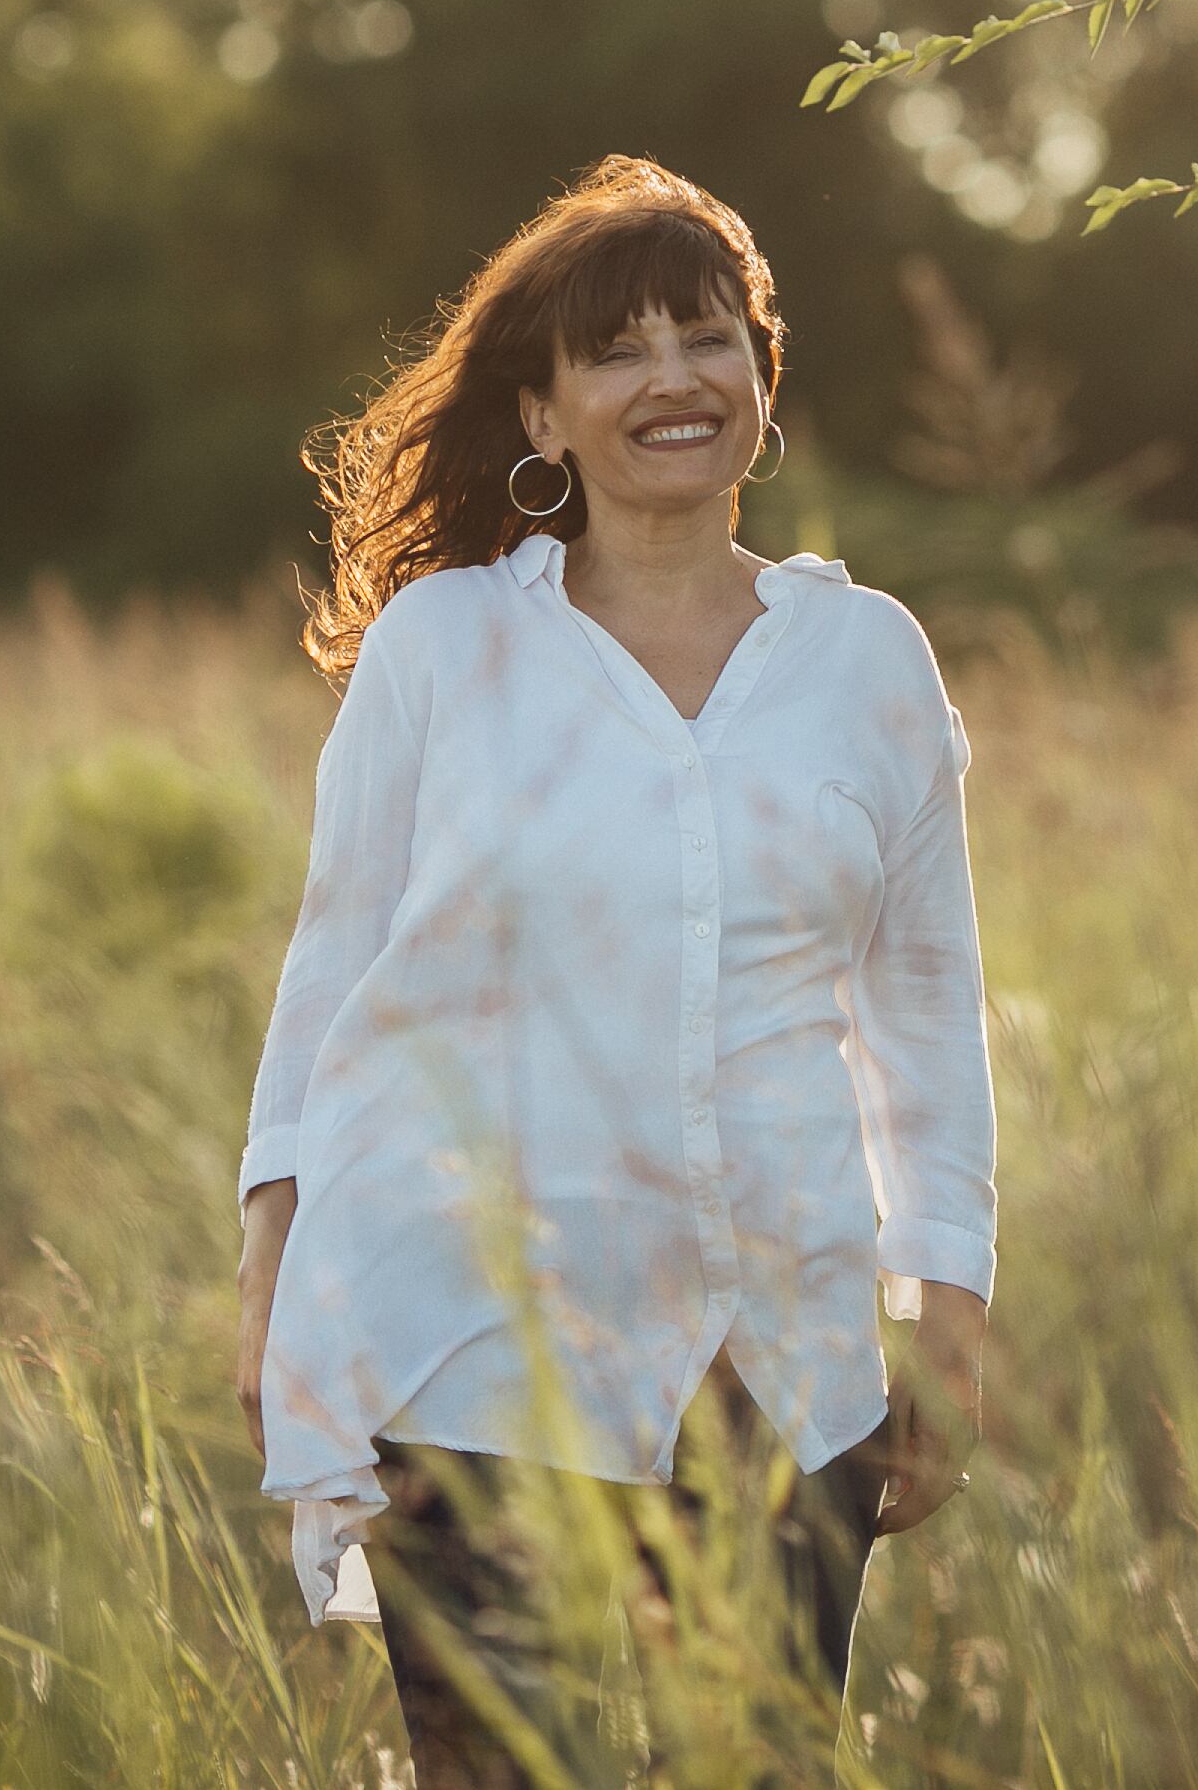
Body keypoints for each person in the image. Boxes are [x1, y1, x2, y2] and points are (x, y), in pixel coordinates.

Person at [232, 155, 997, 1786]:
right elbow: (330, 971)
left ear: (760, 380)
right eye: (619, 350)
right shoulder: (445, 648)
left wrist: (950, 1309)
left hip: (776, 1360)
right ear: (544, 415)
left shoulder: (866, 659)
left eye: (707, 337)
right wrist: (270, 1287)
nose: (672, 379)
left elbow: (924, 1009)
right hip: (474, 1350)